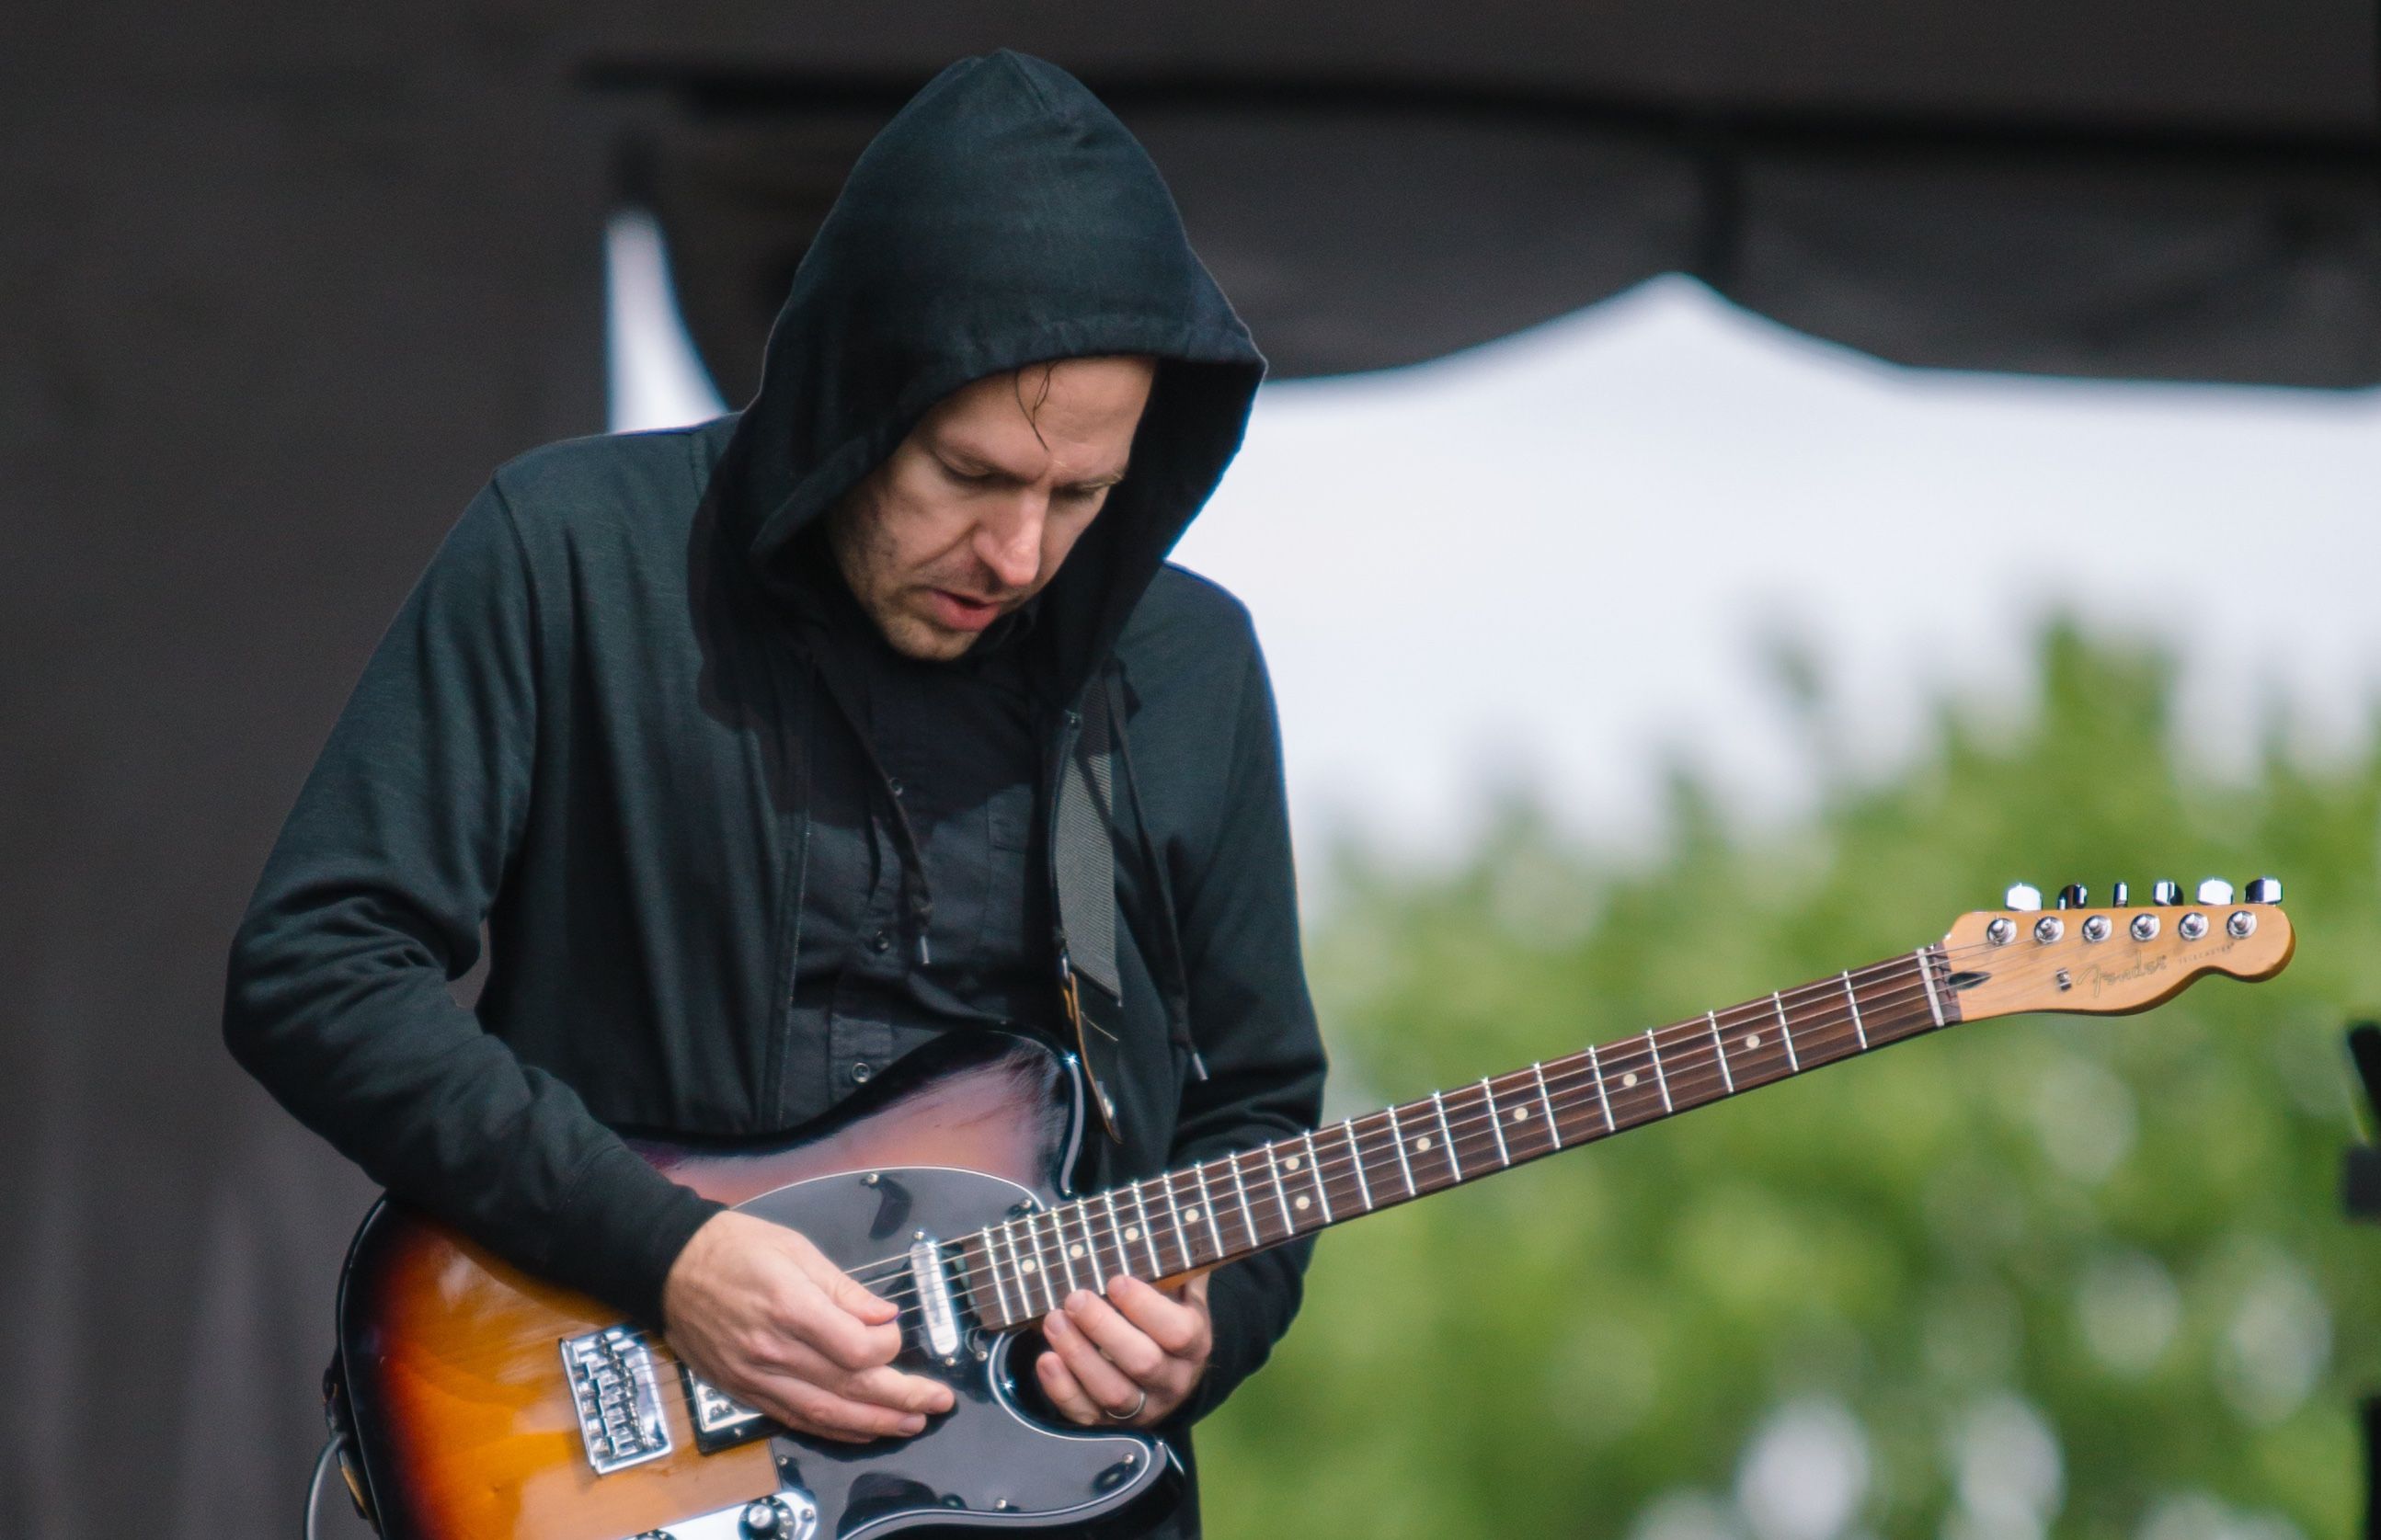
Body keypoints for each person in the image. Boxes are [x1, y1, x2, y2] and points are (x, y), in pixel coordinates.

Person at [222, 49, 1326, 1537]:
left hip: (1041, 1493)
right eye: (967, 473)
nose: (1016, 553)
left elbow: (1255, 1106)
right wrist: (667, 1255)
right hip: (618, 1460)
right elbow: (316, 966)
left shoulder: (1187, 663)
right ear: (852, 399)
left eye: (1078, 498)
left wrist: (1204, 1331)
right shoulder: (569, 553)